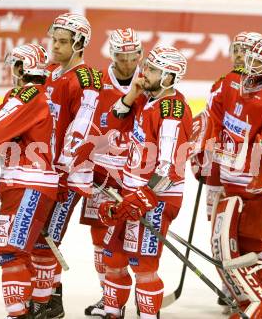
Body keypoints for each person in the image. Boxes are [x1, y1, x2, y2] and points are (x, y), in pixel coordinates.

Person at [203, 35, 262, 319]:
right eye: (249, 58)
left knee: (250, 243)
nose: (251, 65)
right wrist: (206, 151)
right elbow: (213, 116)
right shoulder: (234, 80)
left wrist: (257, 168)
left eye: (259, 61)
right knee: (233, 243)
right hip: (234, 179)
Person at [97, 46, 193, 318]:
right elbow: (111, 124)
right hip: (132, 192)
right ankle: (112, 312)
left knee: (143, 265)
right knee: (113, 258)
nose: (143, 72)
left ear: (169, 77)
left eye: (151, 69)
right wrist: (131, 95)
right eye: (147, 66)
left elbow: (168, 169)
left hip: (157, 198)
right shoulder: (146, 99)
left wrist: (141, 198)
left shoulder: (172, 110)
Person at [0, 43, 58, 319]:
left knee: (11, 252)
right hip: (21, 185)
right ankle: (30, 310)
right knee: (13, 251)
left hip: (27, 185)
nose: (12, 71)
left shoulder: (29, 95)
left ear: (24, 68)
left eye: (15, 65)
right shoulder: (29, 96)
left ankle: (20, 314)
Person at [78, 28, 143, 318]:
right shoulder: (97, 82)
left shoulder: (149, 80)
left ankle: (140, 291)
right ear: (112, 54)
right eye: (121, 57)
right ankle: (109, 295)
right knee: (99, 236)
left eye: (133, 57)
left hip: (133, 175)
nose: (128, 63)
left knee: (133, 239)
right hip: (101, 171)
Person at [41, 12, 102, 319]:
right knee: (42, 234)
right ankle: (48, 296)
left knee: (48, 236)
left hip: (70, 175)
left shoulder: (86, 80)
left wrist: (63, 169)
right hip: (48, 170)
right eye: (54, 39)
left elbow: (81, 128)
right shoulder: (52, 72)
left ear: (79, 45)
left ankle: (51, 301)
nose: (55, 45)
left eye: (63, 41)